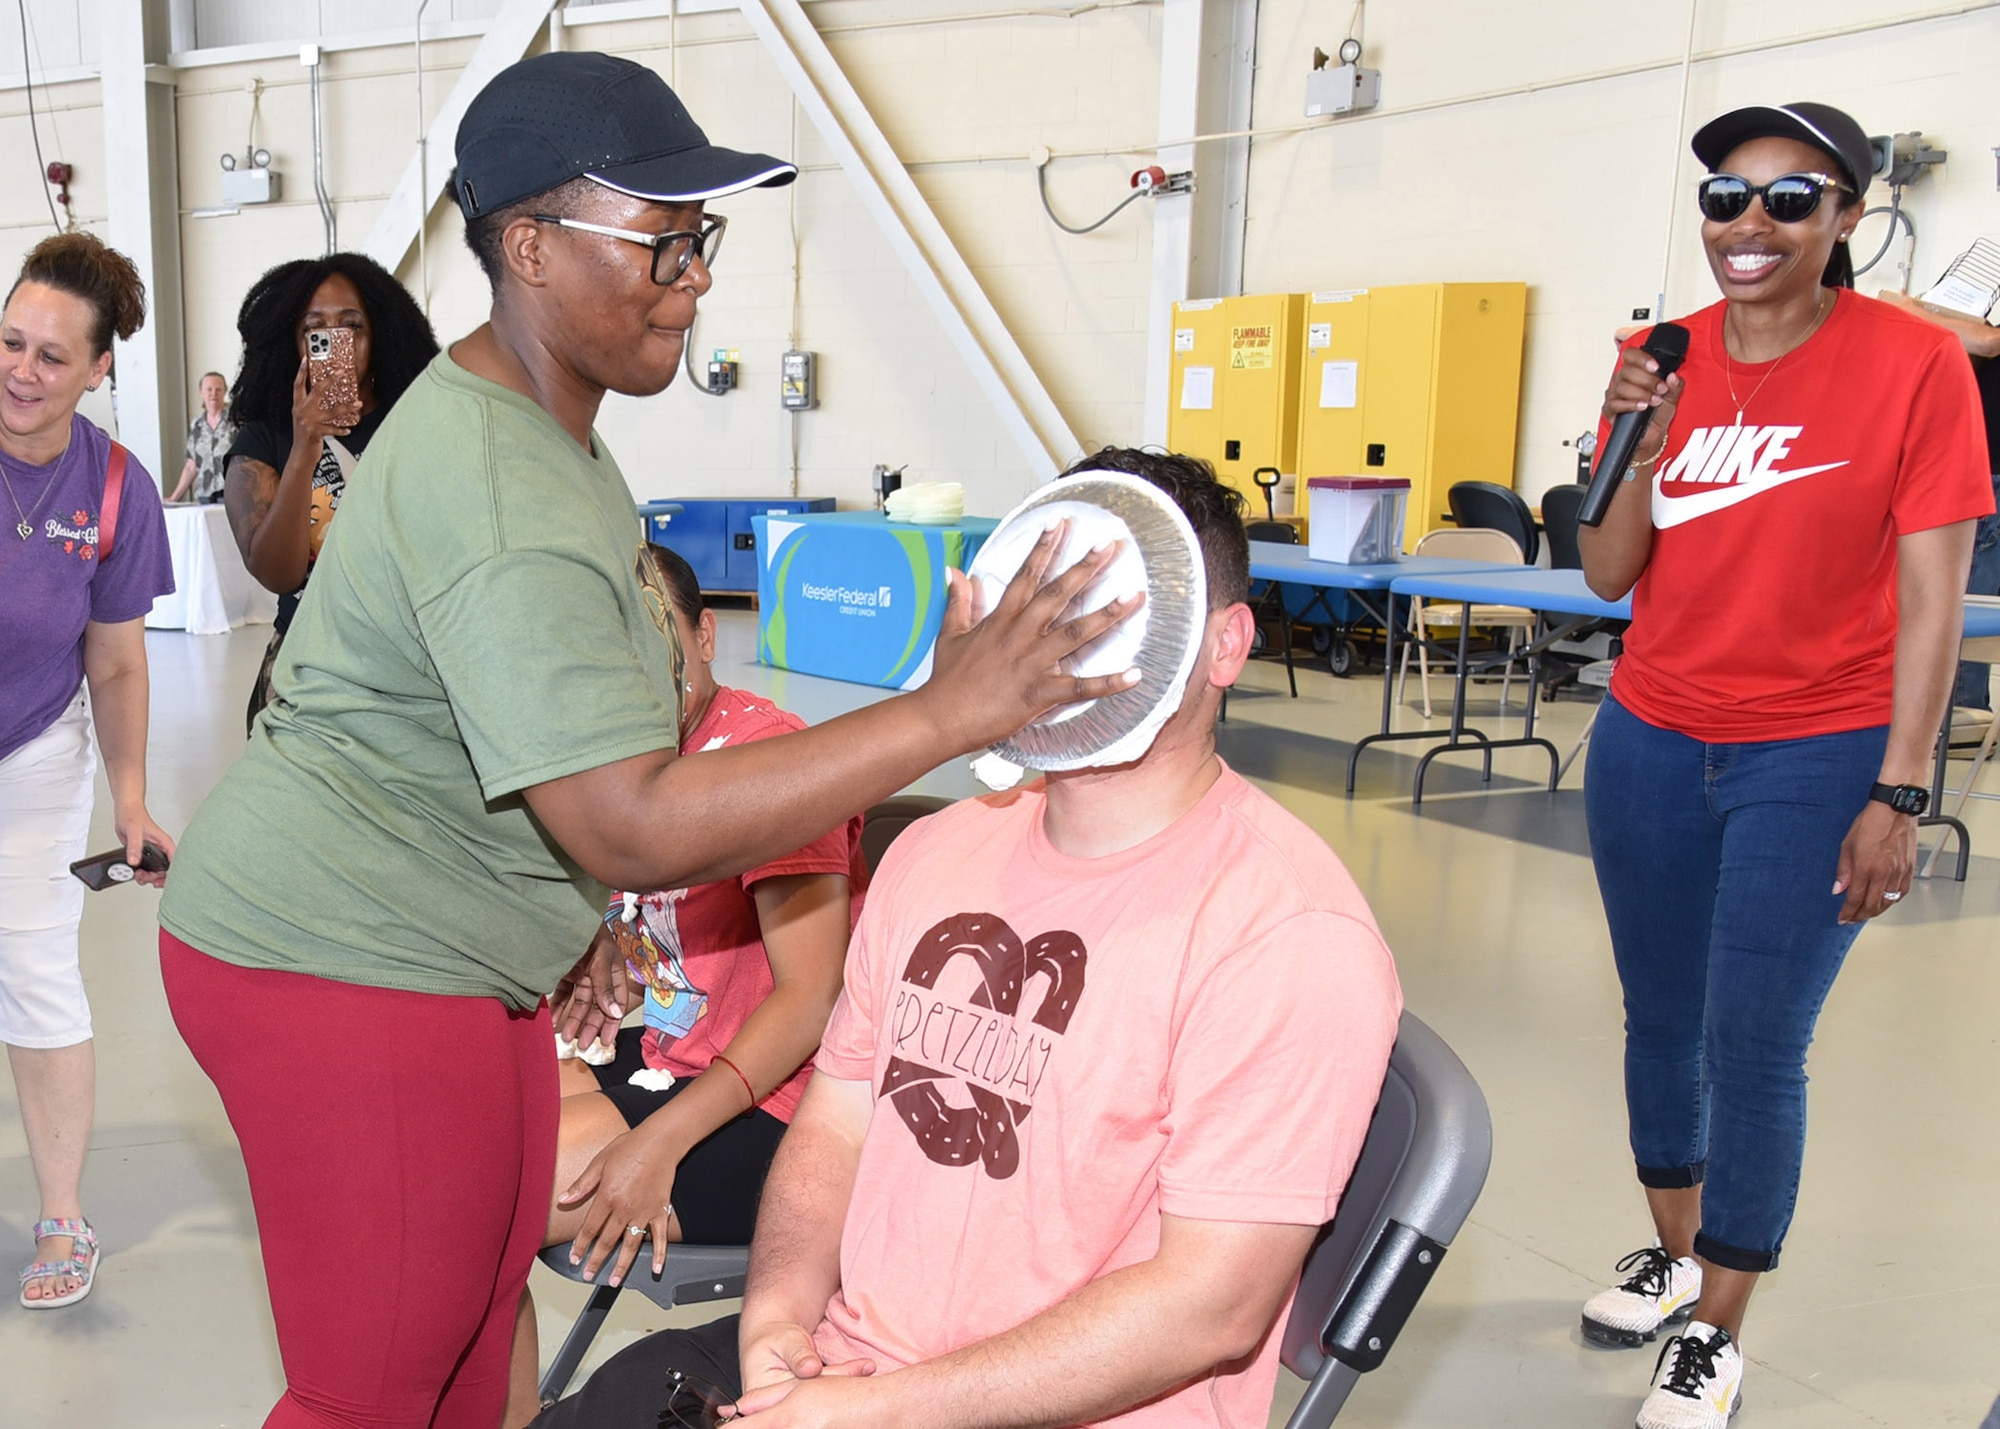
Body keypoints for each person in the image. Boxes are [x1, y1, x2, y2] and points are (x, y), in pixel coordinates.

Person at [157, 50, 1139, 1429]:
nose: (693, 273)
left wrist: (555, 914)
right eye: (660, 241)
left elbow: (534, 741)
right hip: (342, 962)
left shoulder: (549, 428)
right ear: (532, 247)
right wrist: (942, 711)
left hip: (455, 954)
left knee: (468, 1326)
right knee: (370, 1390)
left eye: (700, 239)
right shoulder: (497, 475)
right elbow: (623, 817)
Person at [530, 447, 1404, 1429]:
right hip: (850, 1369)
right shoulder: (935, 854)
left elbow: (1210, 1306)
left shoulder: (1286, 934)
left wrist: (877, 1411)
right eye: (1039, 601)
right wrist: (775, 1323)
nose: (1062, 643)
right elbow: (834, 1124)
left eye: (1115, 606)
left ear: (1224, 644)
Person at [1576, 102, 1990, 1429]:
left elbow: (1935, 601)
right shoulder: (1660, 354)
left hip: (1817, 756)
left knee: (1756, 1041)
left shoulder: (1914, 367)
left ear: (1848, 218)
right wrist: (1633, 424)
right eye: (1726, 197)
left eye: (1789, 198)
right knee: (1658, 1016)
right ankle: (1678, 1247)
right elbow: (1607, 568)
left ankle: (1718, 1323)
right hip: (1649, 737)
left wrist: (1899, 790)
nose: (1748, 224)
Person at [504, 544, 866, 1428]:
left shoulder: (765, 759)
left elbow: (810, 999)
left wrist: (660, 1141)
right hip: (672, 1060)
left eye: (656, 634)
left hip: (771, 1110)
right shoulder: (627, 763)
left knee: (485, 1206)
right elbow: (679, 946)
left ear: (704, 635)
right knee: (463, 1131)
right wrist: (605, 954)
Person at [0, 232, 175, 1309]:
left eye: (51, 356)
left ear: (101, 367)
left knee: (34, 966)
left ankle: (61, 1211)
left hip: (31, 751)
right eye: (8, 342)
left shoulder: (114, 490)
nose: (21, 370)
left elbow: (113, 662)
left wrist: (130, 797)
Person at [221, 252, 439, 729]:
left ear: (379, 334)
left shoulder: (418, 422)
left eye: (352, 326)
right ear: (294, 341)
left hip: (407, 669)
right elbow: (277, 573)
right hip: (307, 667)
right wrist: (304, 447)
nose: (336, 341)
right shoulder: (266, 438)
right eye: (315, 328)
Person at [1875, 286, 2000, 714]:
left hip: (1991, 473)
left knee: (1963, 589)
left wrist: (1911, 310)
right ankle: (1960, 713)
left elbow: (1988, 341)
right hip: (1982, 467)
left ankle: (1960, 714)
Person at [166, 370, 236, 503]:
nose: (213, 394)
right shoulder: (197, 425)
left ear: (225, 392)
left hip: (231, 496)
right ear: (201, 392)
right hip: (205, 496)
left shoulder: (235, 423)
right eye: (209, 389)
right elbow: (192, 465)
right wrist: (174, 498)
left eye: (218, 389)